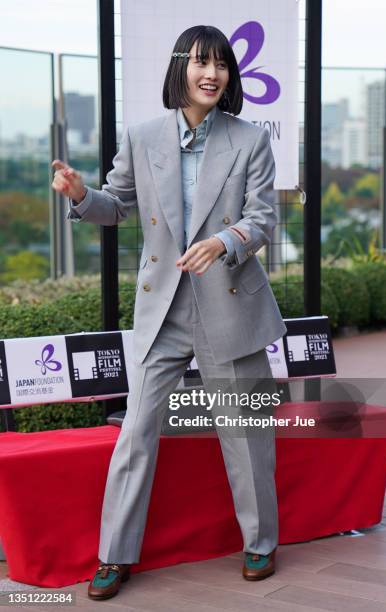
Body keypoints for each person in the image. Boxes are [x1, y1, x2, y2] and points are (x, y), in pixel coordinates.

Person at [52, 24, 287, 601]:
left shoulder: (250, 139)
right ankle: (114, 553)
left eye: (222, 65)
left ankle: (261, 540)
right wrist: (83, 198)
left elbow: (263, 218)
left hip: (229, 302)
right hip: (163, 309)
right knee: (136, 432)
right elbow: (117, 205)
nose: (213, 74)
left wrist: (226, 240)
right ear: (180, 67)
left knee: (245, 432)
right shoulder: (143, 136)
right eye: (202, 62)